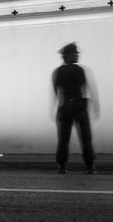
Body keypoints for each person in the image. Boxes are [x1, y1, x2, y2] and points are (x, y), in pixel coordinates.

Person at [53, 42, 99, 174]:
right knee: (86, 138)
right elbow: (86, 88)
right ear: (68, 56)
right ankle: (90, 166)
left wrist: (57, 108)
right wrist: (95, 105)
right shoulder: (79, 70)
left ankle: (62, 166)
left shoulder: (58, 71)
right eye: (75, 53)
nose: (77, 55)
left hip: (65, 106)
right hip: (80, 106)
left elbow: (56, 91)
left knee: (63, 139)